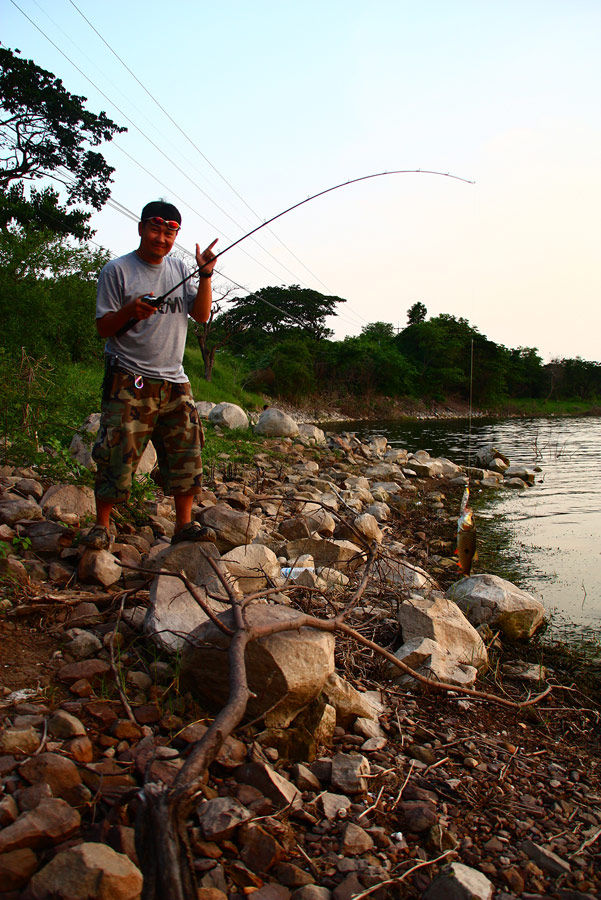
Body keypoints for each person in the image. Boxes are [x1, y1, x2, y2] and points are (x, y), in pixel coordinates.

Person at [83, 200, 217, 549]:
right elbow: (103, 328)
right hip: (128, 377)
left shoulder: (179, 269)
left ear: (176, 236)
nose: (162, 238)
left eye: (170, 232)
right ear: (141, 228)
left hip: (174, 379)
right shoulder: (117, 270)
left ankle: (184, 525)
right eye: (156, 229)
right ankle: (101, 525)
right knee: (117, 450)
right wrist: (131, 310)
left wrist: (205, 275)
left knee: (186, 451)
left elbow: (201, 315)